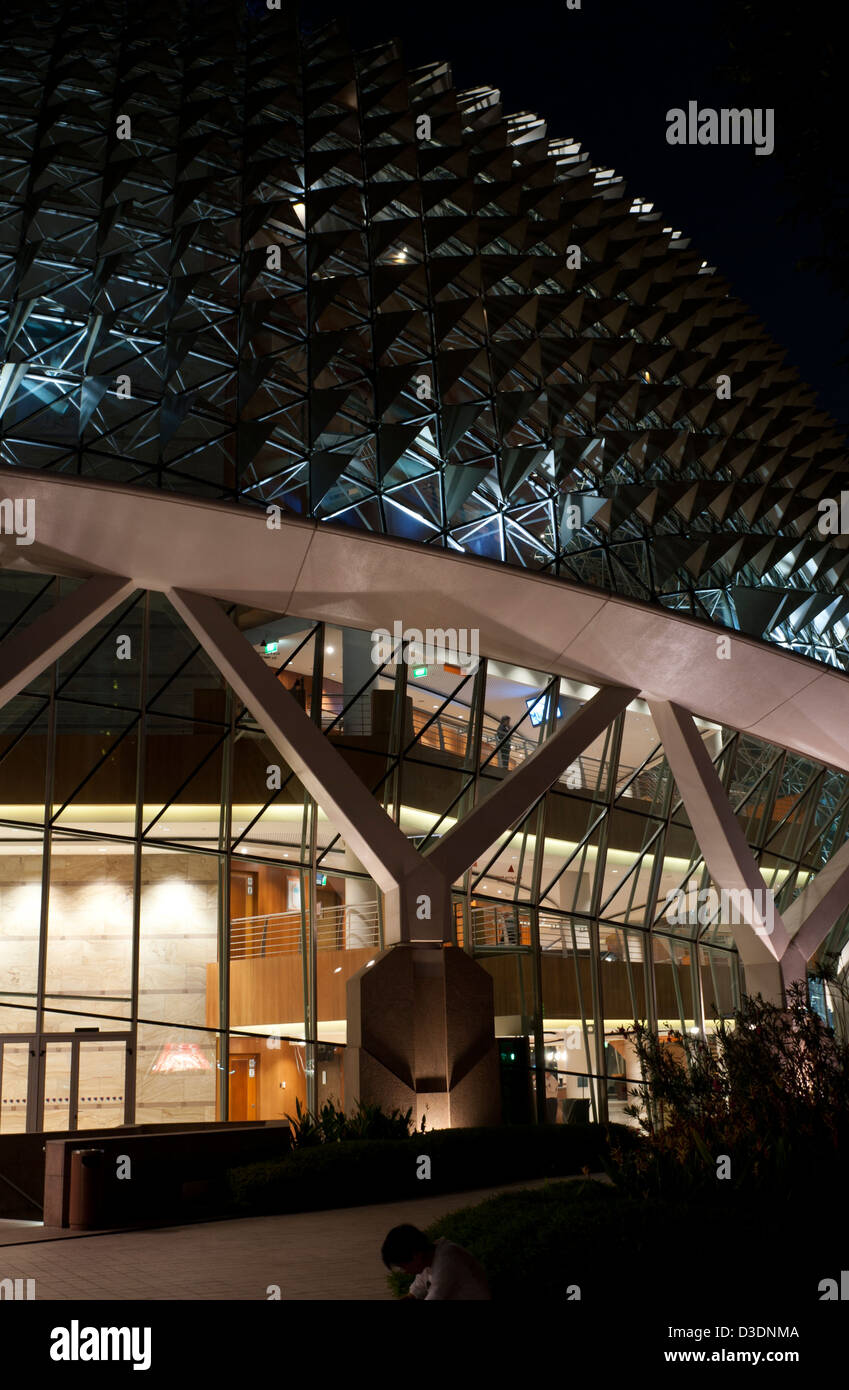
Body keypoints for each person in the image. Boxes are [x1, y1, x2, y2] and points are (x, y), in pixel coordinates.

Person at [381, 1224, 491, 1300]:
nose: (404, 1271)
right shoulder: (428, 1259)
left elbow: (435, 1296)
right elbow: (416, 1291)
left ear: (416, 1256)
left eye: (403, 1266)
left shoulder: (446, 1260)